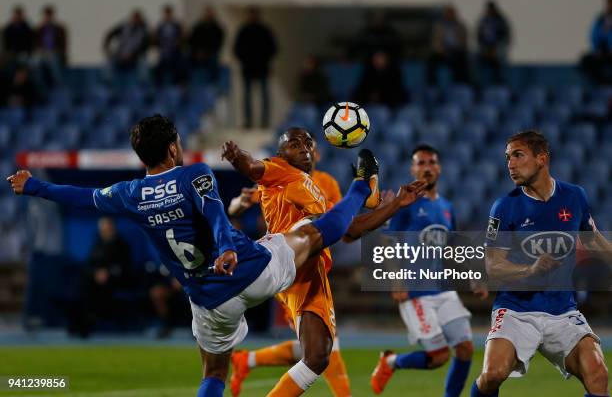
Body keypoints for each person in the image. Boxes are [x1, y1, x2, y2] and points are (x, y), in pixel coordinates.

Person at [7, 114, 390, 397]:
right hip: (249, 271)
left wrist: (34, 185)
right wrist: (226, 248)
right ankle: (361, 185)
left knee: (214, 371)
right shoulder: (194, 175)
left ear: (141, 156)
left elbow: (81, 198)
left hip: (206, 300)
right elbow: (216, 215)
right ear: (174, 147)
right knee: (313, 233)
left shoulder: (129, 193)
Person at [222, 128, 427, 396]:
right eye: (294, 144)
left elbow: (350, 229)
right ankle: (363, 186)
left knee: (318, 355)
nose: (303, 147)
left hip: (313, 268)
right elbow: (252, 168)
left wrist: (396, 204)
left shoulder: (319, 187)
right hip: (292, 260)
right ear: (280, 153)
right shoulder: (279, 169)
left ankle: (248, 361)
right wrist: (238, 157)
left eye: (307, 142)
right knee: (320, 353)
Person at [471, 131, 611, 397]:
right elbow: (493, 266)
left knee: (598, 375)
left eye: (518, 155)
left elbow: (593, 241)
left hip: (562, 310)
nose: (510, 163)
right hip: (516, 310)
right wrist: (530, 270)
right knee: (492, 375)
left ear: (541, 159)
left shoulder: (575, 197)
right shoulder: (504, 207)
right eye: (507, 157)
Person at [370, 144, 487, 396]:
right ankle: (390, 362)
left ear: (439, 168)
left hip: (442, 289)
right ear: (413, 169)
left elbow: (452, 246)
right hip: (415, 291)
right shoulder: (405, 203)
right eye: (421, 163)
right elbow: (387, 240)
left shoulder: (446, 206)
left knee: (466, 348)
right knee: (439, 356)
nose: (427, 168)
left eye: (431, 162)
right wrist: (396, 278)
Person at [68, 217, 135, 337]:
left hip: (116, 280)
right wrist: (95, 273)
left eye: (108, 228)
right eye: (103, 229)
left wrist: (107, 273)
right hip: (95, 280)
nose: (105, 231)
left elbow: (125, 267)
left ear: (113, 228)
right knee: (81, 286)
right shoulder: (97, 244)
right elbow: (89, 265)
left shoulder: (122, 244)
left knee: (90, 289)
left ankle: (87, 323)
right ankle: (78, 324)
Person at [233, 7, 277, 129]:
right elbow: (236, 49)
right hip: (248, 68)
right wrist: (243, 59)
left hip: (262, 67)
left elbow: (273, 48)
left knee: (265, 96)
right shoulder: (244, 30)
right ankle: (248, 122)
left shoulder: (265, 30)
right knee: (247, 97)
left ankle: (265, 122)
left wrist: (267, 60)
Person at [103, 10, 150, 85]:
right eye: (135, 18)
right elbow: (110, 34)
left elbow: (145, 47)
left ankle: (143, 83)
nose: (136, 20)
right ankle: (107, 82)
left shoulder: (143, 31)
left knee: (143, 61)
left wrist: (132, 54)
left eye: (138, 18)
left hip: (135, 57)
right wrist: (107, 48)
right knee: (109, 60)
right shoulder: (123, 27)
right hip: (121, 55)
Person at [426, 5, 469, 85]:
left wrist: (454, 49)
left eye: (451, 13)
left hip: (455, 51)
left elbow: (463, 42)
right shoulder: (439, 26)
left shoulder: (461, 26)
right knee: (431, 60)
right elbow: (435, 41)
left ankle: (459, 84)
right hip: (442, 52)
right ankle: (432, 84)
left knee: (461, 61)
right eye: (447, 13)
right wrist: (442, 50)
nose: (449, 15)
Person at [32, 5, 68, 88]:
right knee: (35, 63)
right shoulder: (39, 29)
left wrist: (59, 52)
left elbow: (64, 45)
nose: (48, 17)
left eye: (49, 15)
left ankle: (59, 84)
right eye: (46, 15)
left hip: (55, 53)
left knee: (53, 61)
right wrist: (40, 50)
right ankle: (40, 86)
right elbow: (35, 44)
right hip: (42, 54)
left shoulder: (59, 29)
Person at [476, 0, 511, 84]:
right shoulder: (484, 21)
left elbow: (505, 36)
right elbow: (479, 36)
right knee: (476, 57)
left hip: (497, 47)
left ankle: (501, 81)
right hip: (486, 48)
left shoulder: (501, 20)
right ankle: (478, 82)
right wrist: (485, 48)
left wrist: (494, 48)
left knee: (499, 56)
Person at [581, 0, 612, 84]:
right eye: (608, 4)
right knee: (586, 61)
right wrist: (596, 49)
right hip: (602, 51)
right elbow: (593, 35)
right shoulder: (600, 19)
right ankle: (602, 82)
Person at [189, 6, 225, 82]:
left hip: (212, 53)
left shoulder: (217, 27)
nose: (208, 15)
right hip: (198, 53)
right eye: (207, 13)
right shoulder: (198, 26)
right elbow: (193, 40)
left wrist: (210, 52)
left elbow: (219, 41)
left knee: (213, 63)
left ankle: (213, 84)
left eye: (210, 13)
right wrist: (198, 52)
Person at [153, 5, 184, 85]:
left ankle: (178, 86)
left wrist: (176, 43)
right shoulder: (160, 26)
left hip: (174, 53)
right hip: (164, 53)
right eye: (166, 13)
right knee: (158, 69)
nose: (167, 15)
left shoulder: (177, 25)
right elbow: (156, 39)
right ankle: (158, 86)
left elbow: (181, 38)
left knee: (178, 68)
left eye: (169, 13)